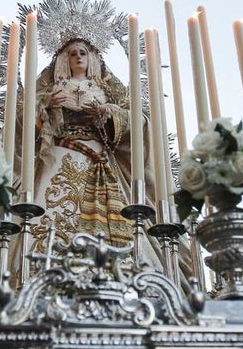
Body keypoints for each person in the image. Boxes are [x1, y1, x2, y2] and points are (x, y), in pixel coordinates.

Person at [21, 37, 156, 260]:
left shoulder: (107, 89)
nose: (78, 57)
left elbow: (138, 120)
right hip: (59, 152)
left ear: (91, 57)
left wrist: (107, 113)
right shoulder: (51, 90)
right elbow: (22, 120)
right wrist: (46, 107)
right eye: (72, 54)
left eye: (82, 53)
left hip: (99, 157)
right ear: (65, 60)